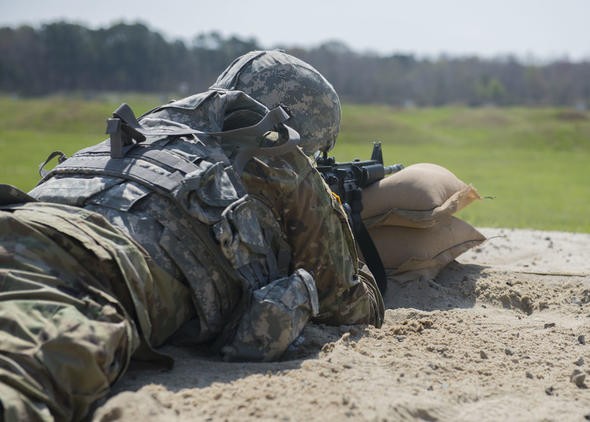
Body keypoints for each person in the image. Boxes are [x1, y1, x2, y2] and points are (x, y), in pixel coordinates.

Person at [0, 50, 383, 421]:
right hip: (95, 267)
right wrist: (337, 217)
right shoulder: (287, 161)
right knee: (20, 382)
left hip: (22, 217)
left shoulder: (155, 128)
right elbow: (349, 306)